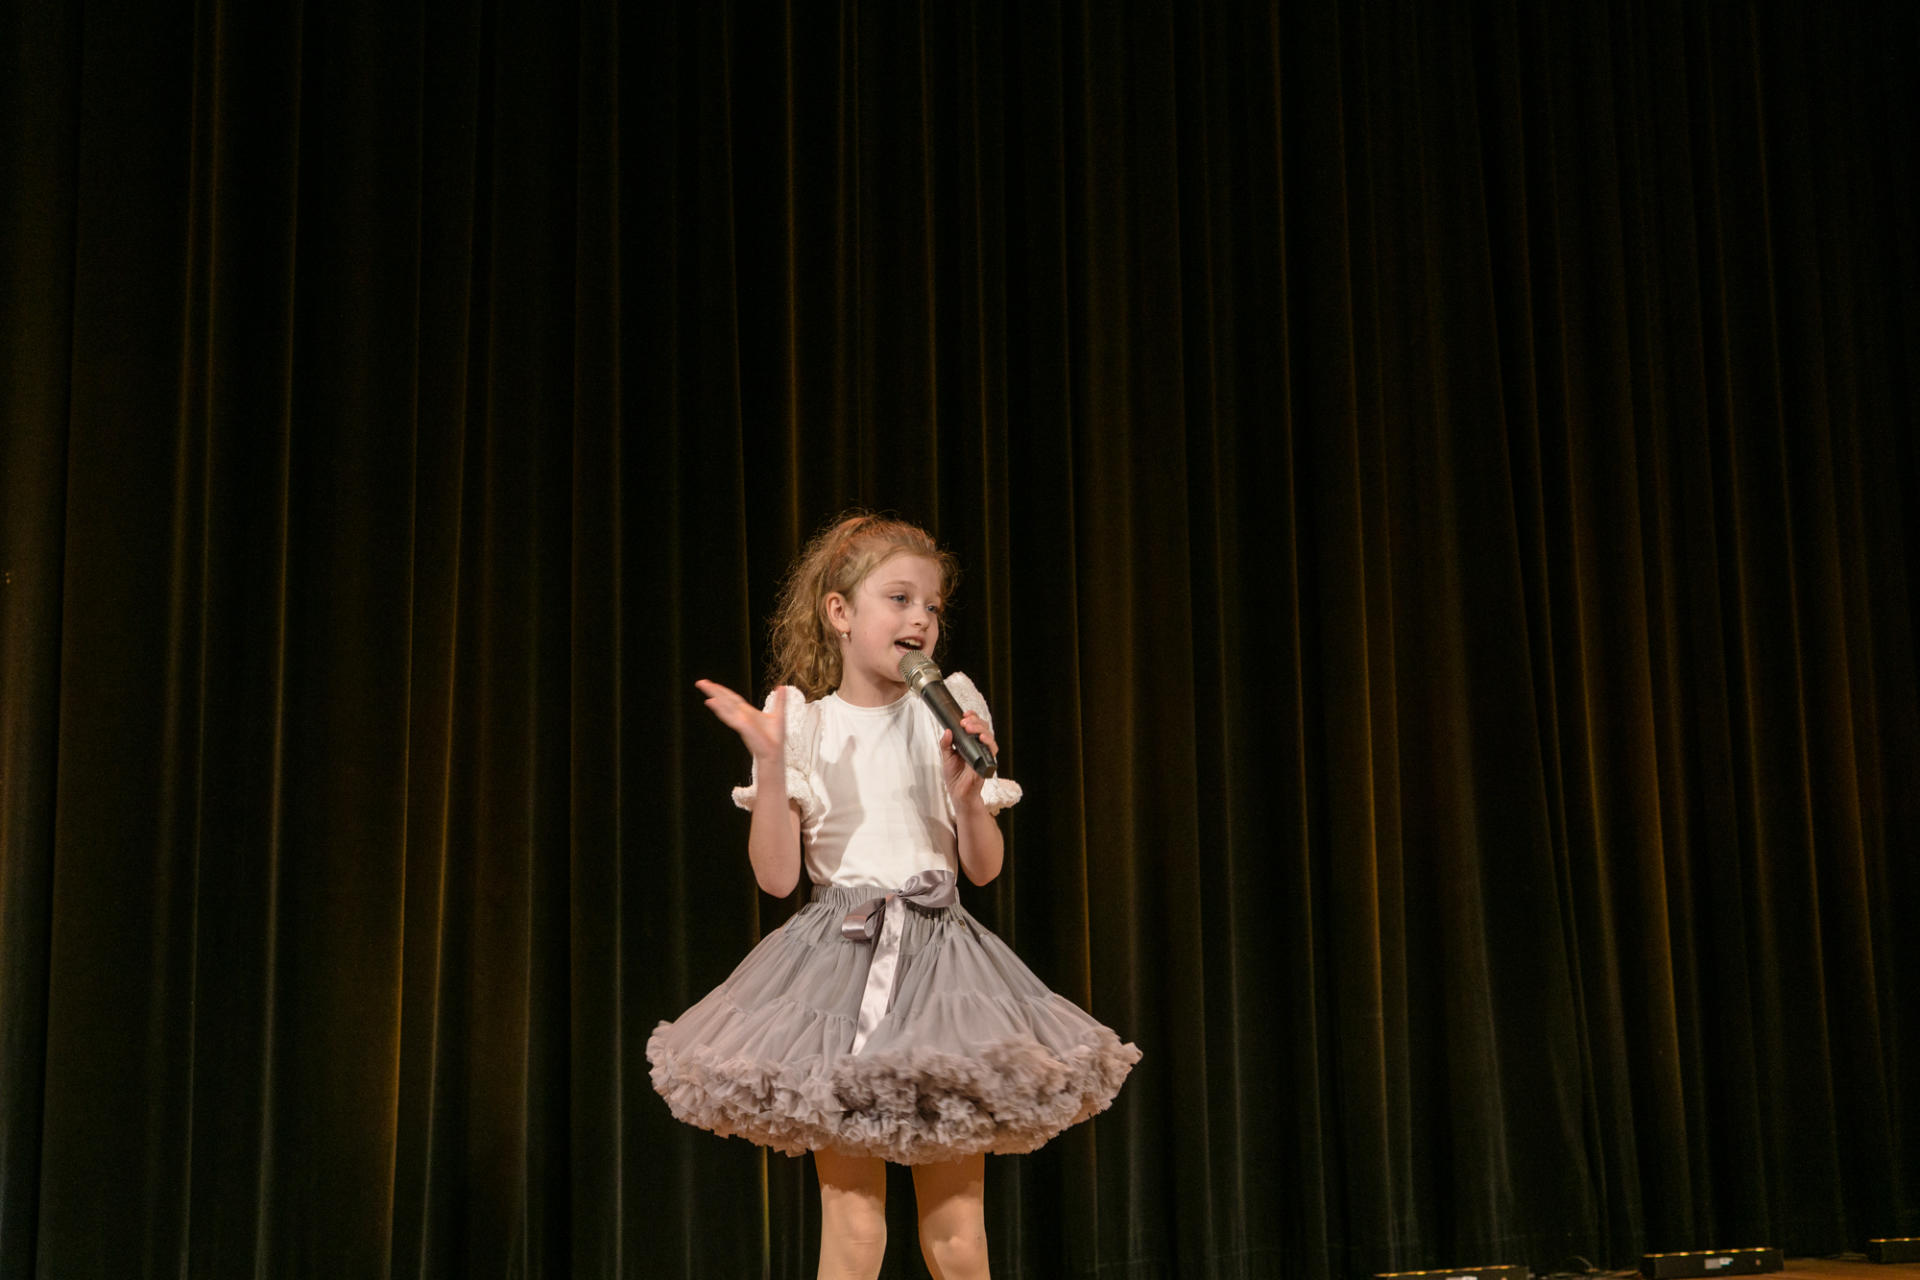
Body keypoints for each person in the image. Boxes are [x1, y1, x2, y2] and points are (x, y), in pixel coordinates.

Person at [648, 512, 1140, 1280]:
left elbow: (983, 869)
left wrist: (967, 797)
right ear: (839, 612)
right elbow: (777, 878)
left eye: (932, 606)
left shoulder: (948, 707)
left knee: (957, 1235)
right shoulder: (805, 724)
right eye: (900, 598)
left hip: (943, 971)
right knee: (854, 1229)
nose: (921, 620)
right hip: (838, 969)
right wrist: (771, 767)